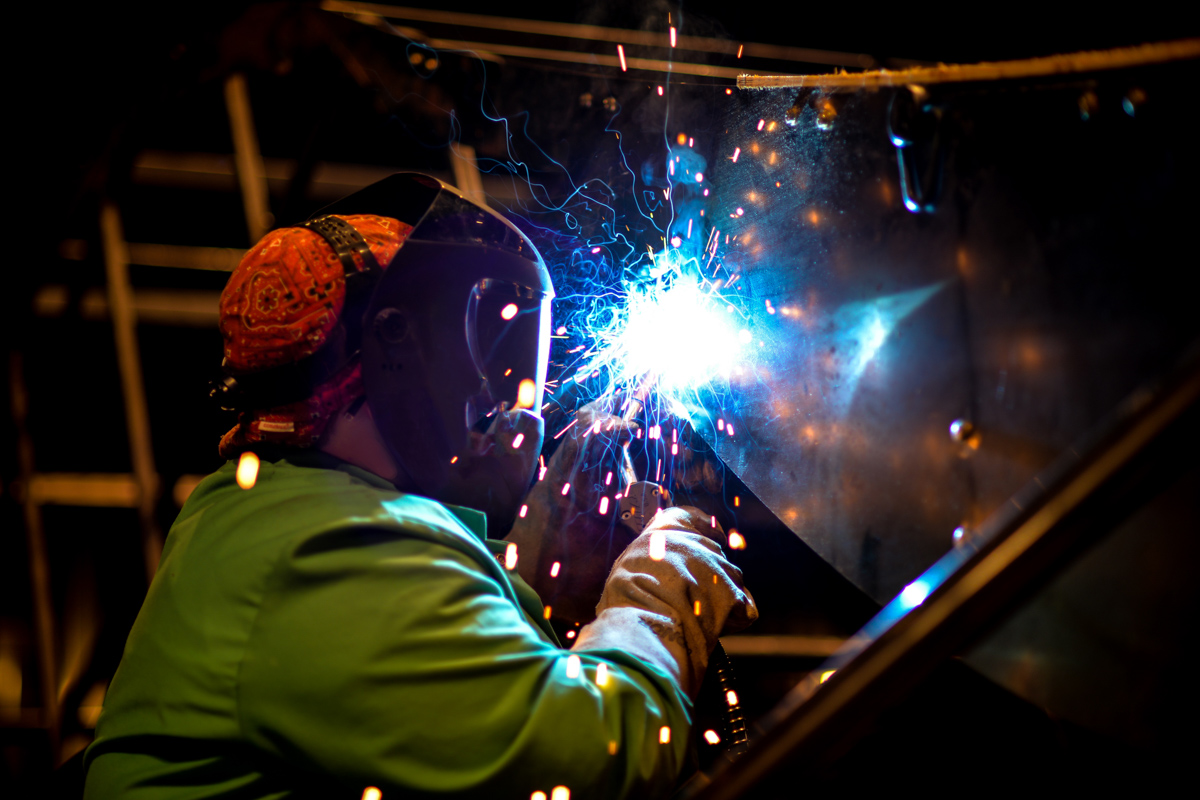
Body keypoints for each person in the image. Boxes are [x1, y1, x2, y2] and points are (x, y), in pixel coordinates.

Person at [83, 174, 757, 799]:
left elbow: (433, 674)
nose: (516, 407)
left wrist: (532, 581)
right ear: (399, 341)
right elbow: (601, 759)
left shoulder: (264, 507)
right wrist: (656, 592)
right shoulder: (332, 552)